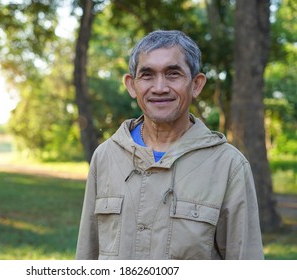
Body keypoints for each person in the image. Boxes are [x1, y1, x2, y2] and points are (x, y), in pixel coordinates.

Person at [75, 30, 264, 260]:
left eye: (173, 74)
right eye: (147, 75)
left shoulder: (229, 166)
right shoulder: (106, 156)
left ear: (196, 84)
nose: (160, 87)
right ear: (132, 85)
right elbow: (87, 255)